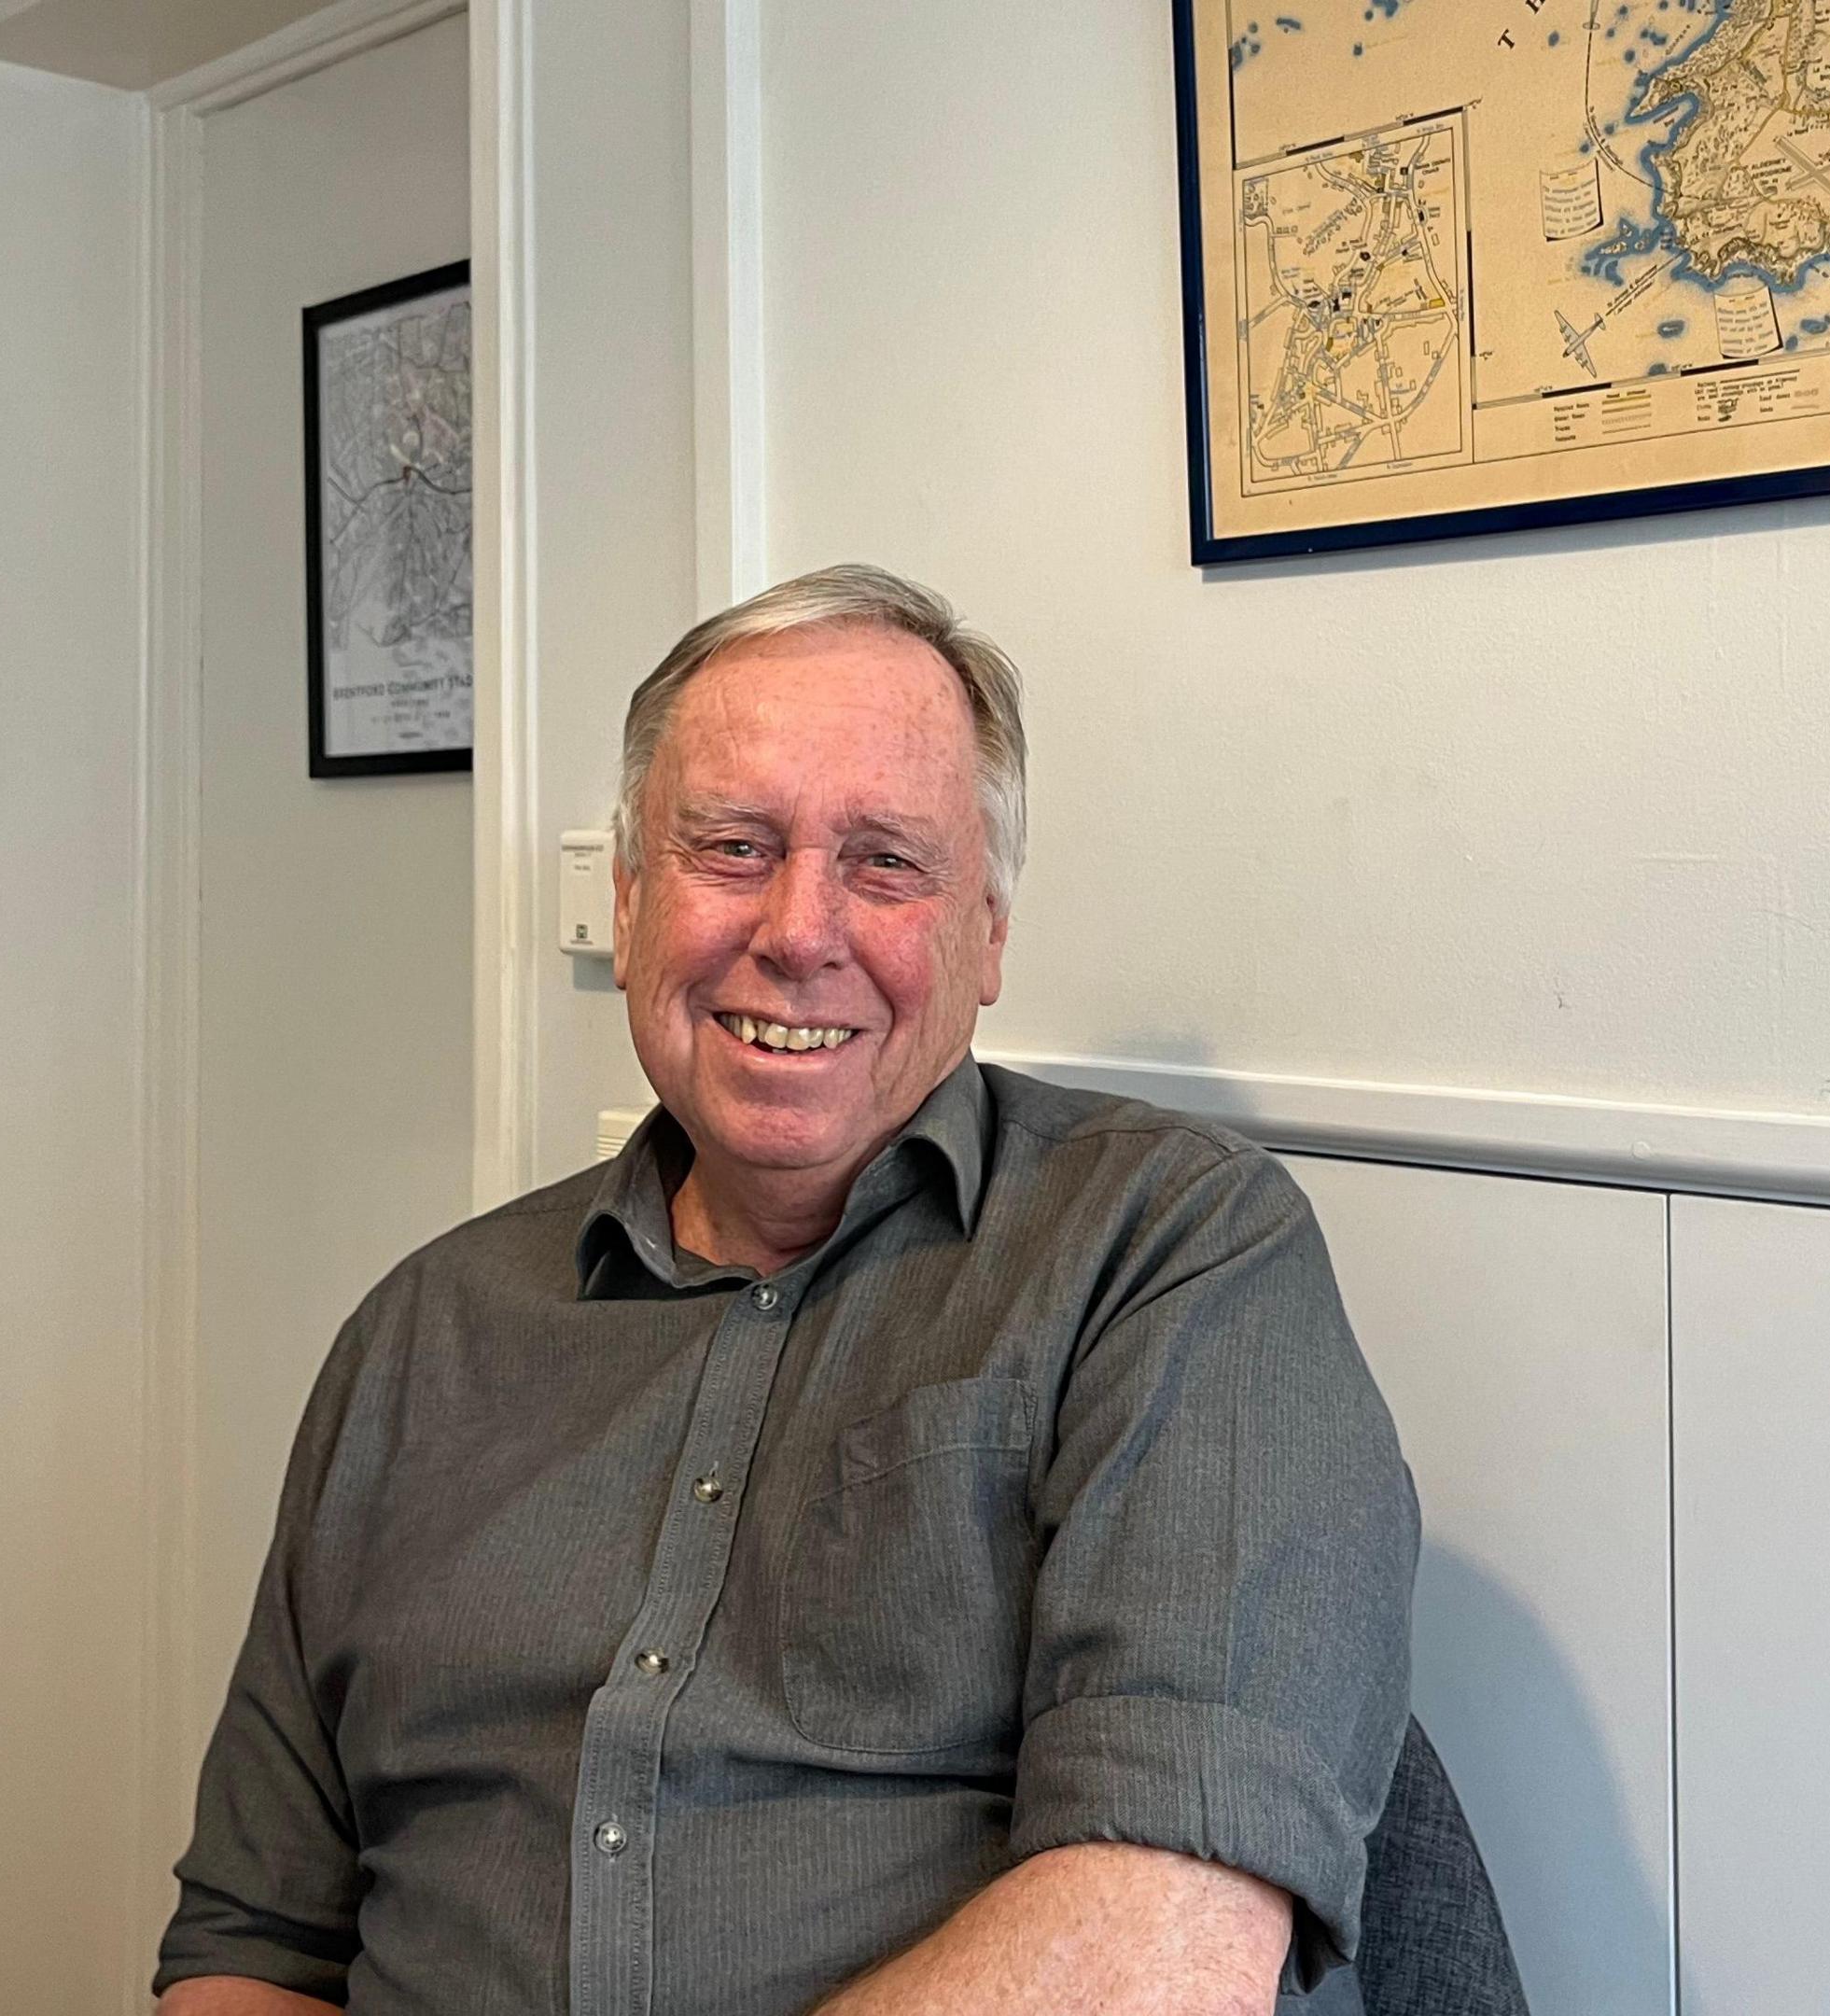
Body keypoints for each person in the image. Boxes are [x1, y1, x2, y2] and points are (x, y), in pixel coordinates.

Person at [155, 565, 1419, 2015]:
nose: (799, 931)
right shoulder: (420, 1337)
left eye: (885, 862)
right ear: (630, 905)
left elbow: (1162, 1940)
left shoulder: (1168, 1251)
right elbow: (256, 1944)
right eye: (733, 847)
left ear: (988, 933)